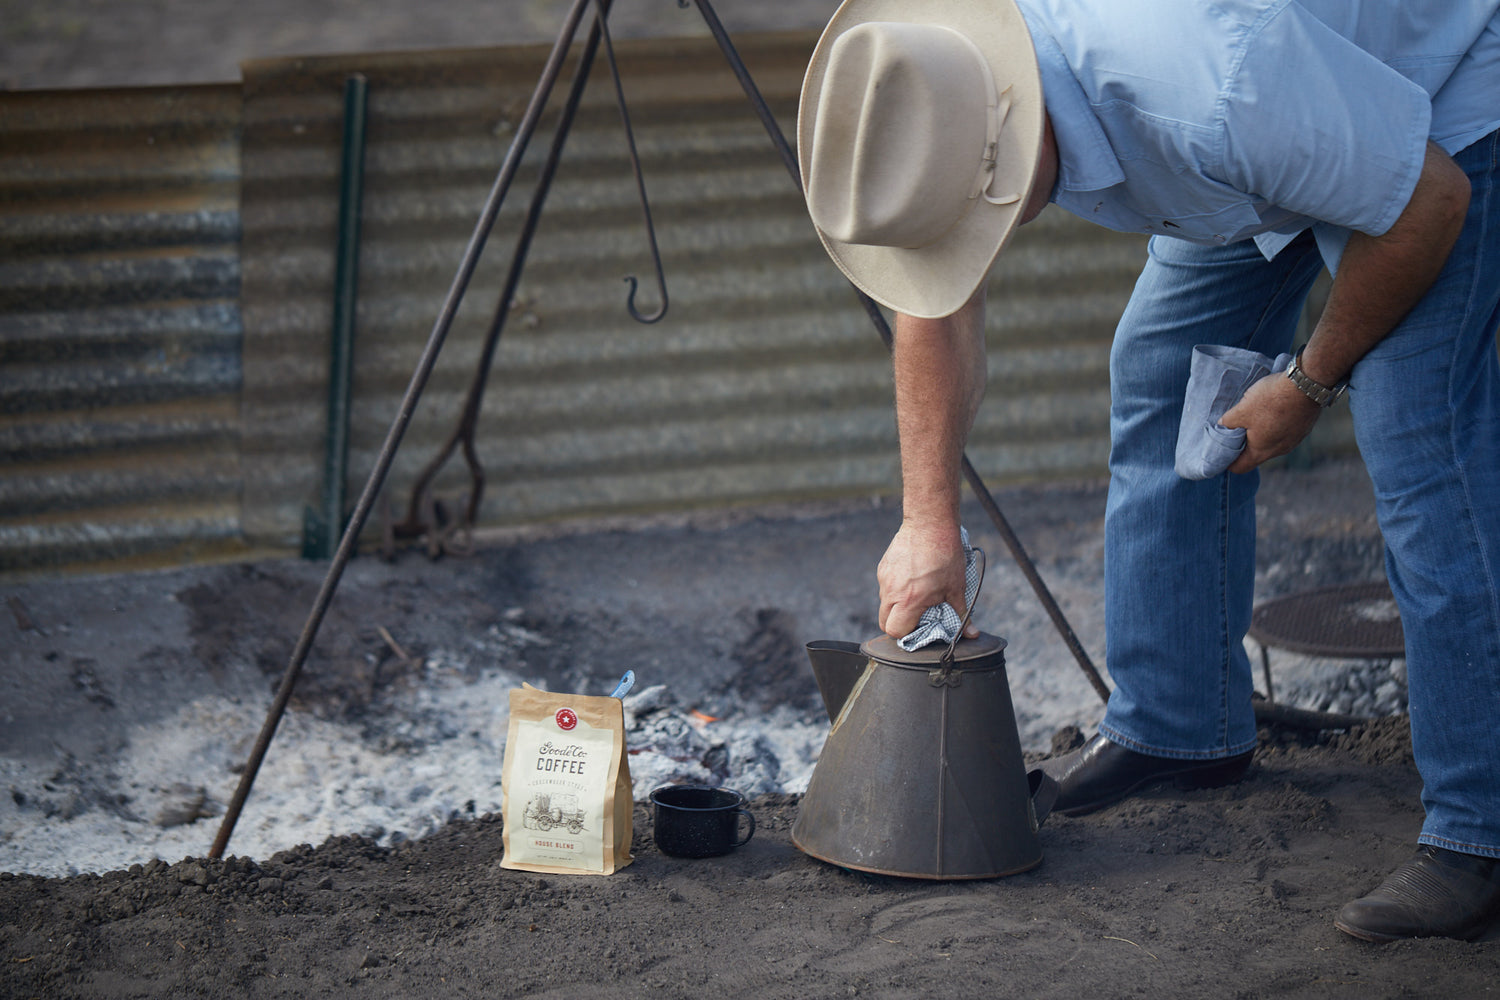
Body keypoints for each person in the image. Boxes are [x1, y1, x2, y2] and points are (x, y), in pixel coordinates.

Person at [798, 0, 1500, 942]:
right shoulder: (937, 80)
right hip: (1275, 131)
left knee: (1420, 443)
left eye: (981, 220)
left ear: (1015, 139)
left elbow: (1429, 201)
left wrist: (1310, 379)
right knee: (1166, 371)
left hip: (1438, 113)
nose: (979, 245)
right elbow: (938, 301)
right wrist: (927, 521)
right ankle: (1178, 725)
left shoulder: (1207, 89)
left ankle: (1478, 832)